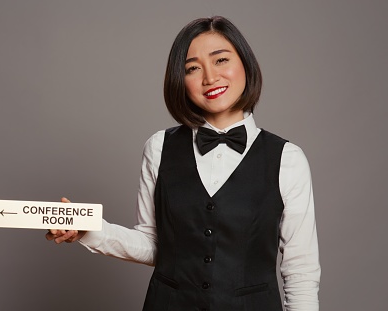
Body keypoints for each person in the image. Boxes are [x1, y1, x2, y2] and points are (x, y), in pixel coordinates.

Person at [46, 16, 320, 311]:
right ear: (180, 80)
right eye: (192, 68)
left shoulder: (288, 159)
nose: (210, 78)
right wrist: (88, 229)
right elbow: (153, 244)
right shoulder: (158, 147)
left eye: (220, 60)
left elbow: (300, 270)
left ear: (245, 64)